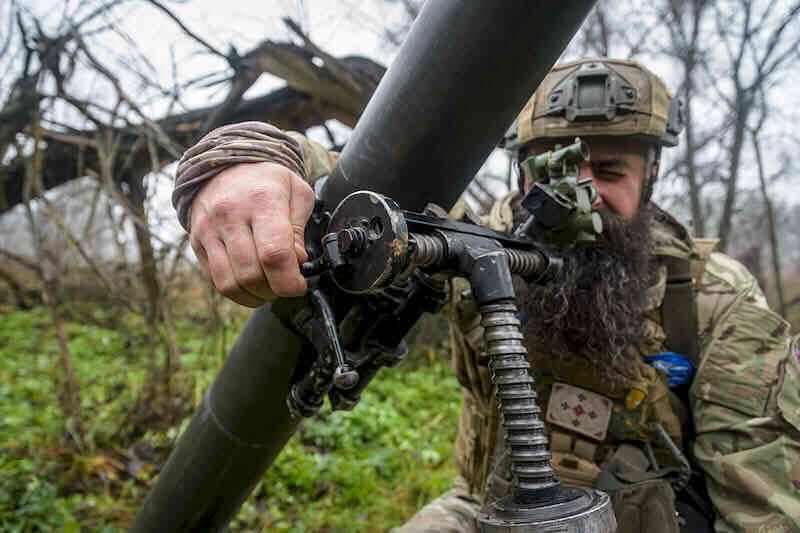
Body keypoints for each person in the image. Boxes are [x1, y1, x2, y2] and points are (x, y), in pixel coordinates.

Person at [172, 58, 800, 533]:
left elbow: (761, 510)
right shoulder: (482, 242)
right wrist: (243, 161)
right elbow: (358, 185)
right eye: (555, 168)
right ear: (521, 173)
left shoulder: (714, 301)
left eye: (609, 172)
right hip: (482, 509)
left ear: (651, 178)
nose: (581, 195)